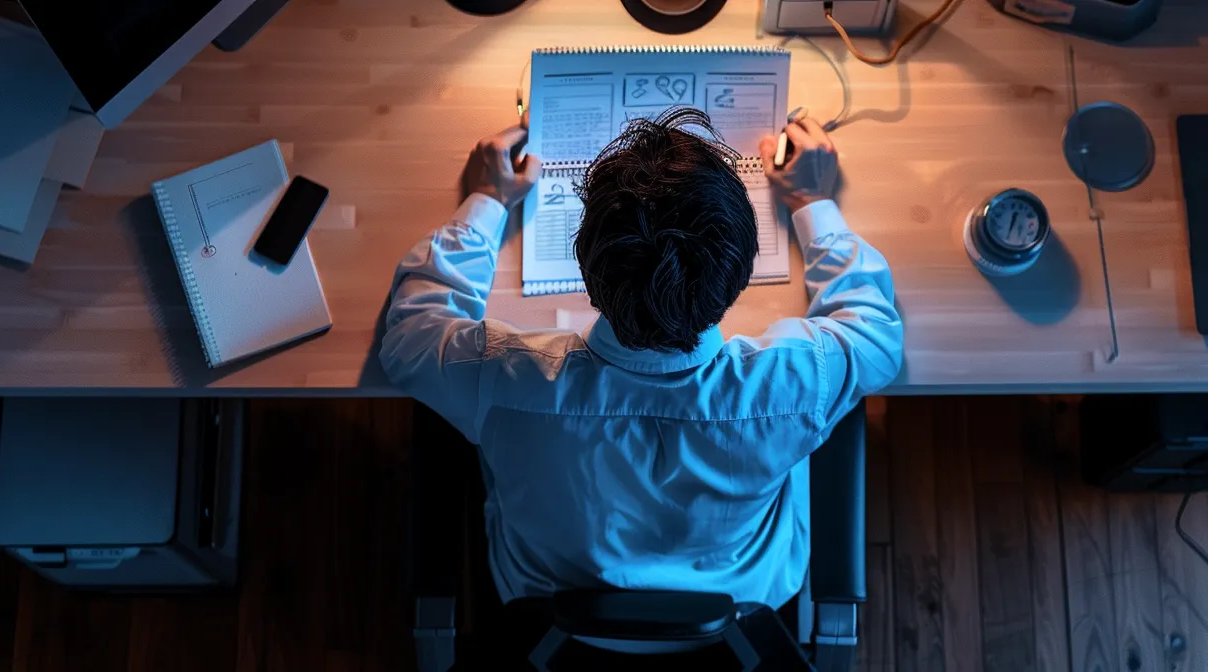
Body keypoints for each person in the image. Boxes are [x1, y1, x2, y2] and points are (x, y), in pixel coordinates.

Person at [381, 107, 902, 610]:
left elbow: (408, 336)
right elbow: (876, 331)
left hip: (552, 606)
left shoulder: (503, 375)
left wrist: (488, 200)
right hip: (739, 606)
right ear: (740, 273)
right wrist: (812, 201)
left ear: (584, 262)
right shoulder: (793, 382)